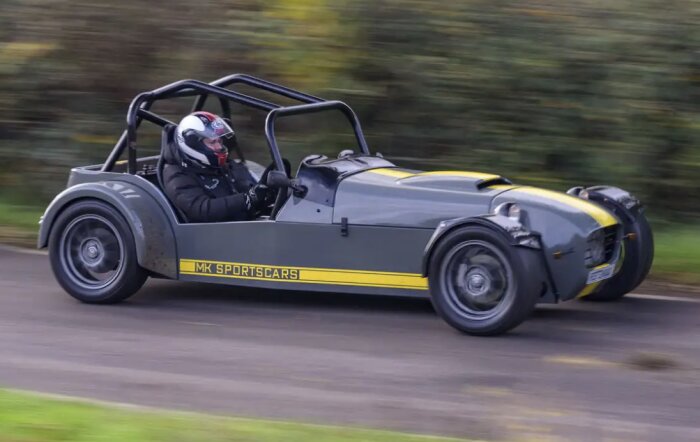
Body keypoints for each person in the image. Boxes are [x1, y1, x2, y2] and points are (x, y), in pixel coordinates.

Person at [162, 111, 273, 222]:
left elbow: (250, 191)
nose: (219, 146)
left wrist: (267, 193)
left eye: (219, 141)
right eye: (212, 142)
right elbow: (201, 210)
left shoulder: (222, 166)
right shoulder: (176, 175)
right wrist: (246, 199)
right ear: (194, 144)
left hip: (244, 226)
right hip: (211, 235)